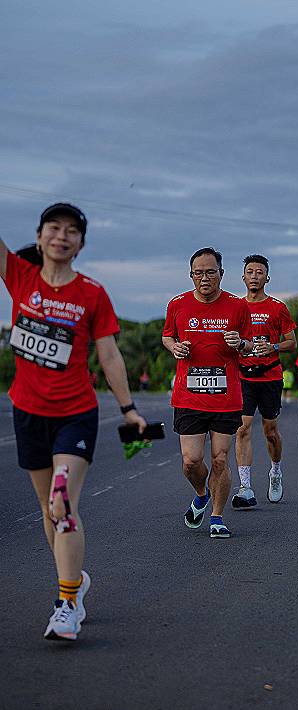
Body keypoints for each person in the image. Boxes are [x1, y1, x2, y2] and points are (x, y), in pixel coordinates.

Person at [0, 202, 146, 641]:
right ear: (39, 236)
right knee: (50, 510)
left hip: (74, 415)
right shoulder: (20, 277)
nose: (61, 236)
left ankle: (66, 605)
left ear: (81, 244)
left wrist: (128, 408)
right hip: (28, 413)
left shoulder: (92, 294)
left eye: (71, 231)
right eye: (53, 227)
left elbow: (109, 355)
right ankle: (74, 580)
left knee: (62, 503)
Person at [162, 247, 253, 539]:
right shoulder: (177, 304)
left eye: (210, 272)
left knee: (220, 459)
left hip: (226, 397)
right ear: (191, 275)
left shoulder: (238, 306)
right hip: (189, 396)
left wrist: (240, 343)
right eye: (198, 273)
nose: (204, 278)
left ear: (221, 274)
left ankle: (216, 517)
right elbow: (167, 335)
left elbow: (250, 345)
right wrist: (175, 347)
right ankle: (202, 494)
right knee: (191, 461)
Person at [232, 255, 297, 509]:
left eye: (259, 272)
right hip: (244, 376)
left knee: (270, 432)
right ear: (243, 277)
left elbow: (292, 342)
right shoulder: (236, 307)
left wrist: (273, 347)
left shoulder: (277, 307)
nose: (254, 276)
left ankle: (275, 471)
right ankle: (245, 487)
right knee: (242, 429)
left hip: (270, 376)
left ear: (267, 278)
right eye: (250, 272)